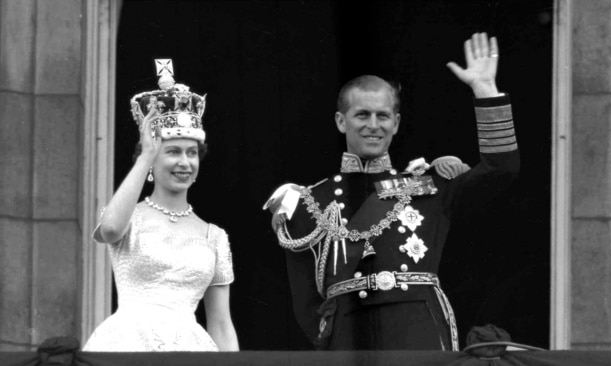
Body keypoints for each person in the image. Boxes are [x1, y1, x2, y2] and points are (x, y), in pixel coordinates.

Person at [264, 33, 519, 350]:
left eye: (382, 115)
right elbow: (305, 302)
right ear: (341, 121)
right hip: (347, 336)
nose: (373, 125)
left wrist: (485, 90)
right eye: (362, 115)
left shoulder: (428, 185)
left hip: (416, 331)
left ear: (396, 123)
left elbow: (501, 169)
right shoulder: (307, 201)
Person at [83, 60, 239, 352]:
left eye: (192, 153)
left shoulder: (214, 236)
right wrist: (146, 156)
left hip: (190, 349)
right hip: (127, 345)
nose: (184, 162)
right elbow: (111, 228)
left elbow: (220, 323)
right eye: (173, 152)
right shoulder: (129, 215)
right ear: (153, 158)